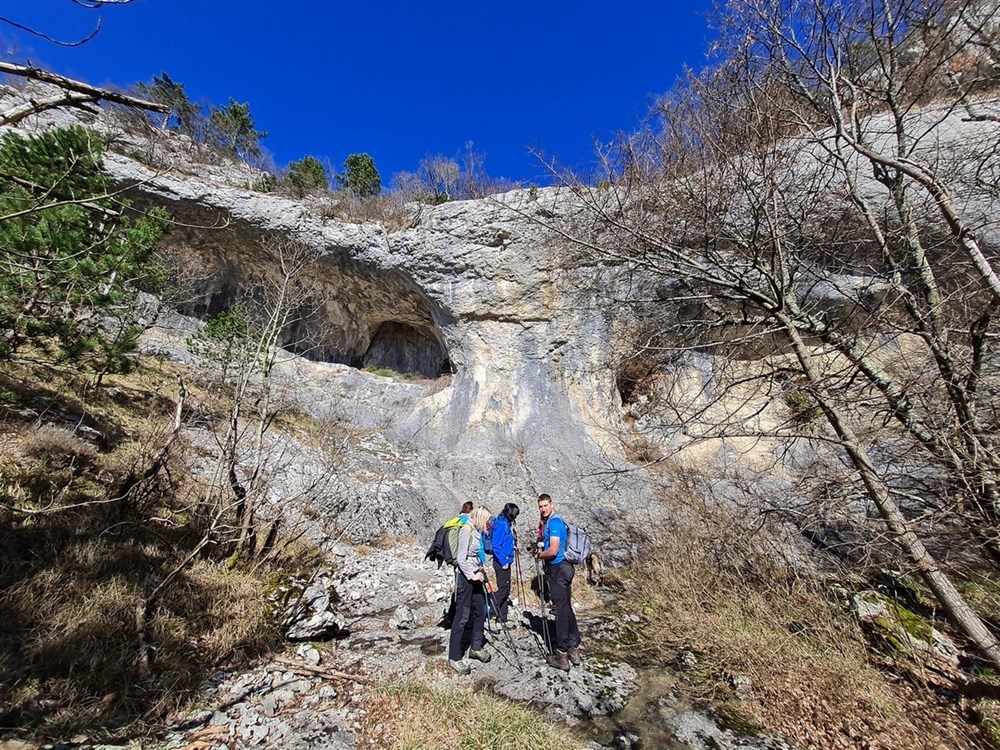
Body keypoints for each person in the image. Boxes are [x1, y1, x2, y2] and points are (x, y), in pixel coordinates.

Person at [534, 493, 582, 671]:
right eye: (540, 506)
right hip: (565, 568)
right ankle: (574, 649)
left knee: (560, 611)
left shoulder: (554, 523)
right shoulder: (551, 523)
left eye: (545, 505)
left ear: (552, 504)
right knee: (566, 607)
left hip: (558, 569)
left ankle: (561, 654)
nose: (543, 509)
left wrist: (539, 554)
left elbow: (553, 550)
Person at [448, 505, 493, 675]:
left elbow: (473, 555)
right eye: (487, 520)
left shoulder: (476, 531)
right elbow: (461, 558)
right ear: (481, 518)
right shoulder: (466, 530)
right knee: (462, 616)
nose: (488, 524)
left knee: (481, 611)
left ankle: (475, 647)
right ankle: (454, 657)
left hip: (475, 575)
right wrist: (472, 575)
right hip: (465, 579)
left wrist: (480, 570)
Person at [490, 503, 519, 627]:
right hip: (502, 562)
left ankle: (502, 618)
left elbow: (503, 542)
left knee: (506, 589)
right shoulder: (501, 525)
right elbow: (495, 545)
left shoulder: (504, 523)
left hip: (506, 560)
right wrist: (503, 562)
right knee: (503, 590)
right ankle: (488, 611)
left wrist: (512, 547)